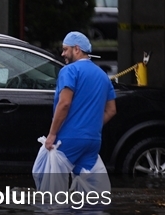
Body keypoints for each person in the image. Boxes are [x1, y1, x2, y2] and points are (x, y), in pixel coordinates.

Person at [45, 31, 117, 175]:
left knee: (54, 190)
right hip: (93, 140)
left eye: (65, 49)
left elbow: (64, 103)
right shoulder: (103, 75)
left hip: (68, 139)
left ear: (76, 49)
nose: (62, 54)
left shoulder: (69, 71)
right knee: (87, 189)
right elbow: (111, 110)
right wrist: (90, 126)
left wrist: (52, 134)